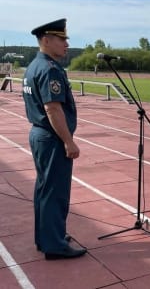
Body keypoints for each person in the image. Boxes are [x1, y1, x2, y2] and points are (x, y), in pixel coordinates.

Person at [22, 18, 87, 260]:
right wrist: (69, 141)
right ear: (46, 40)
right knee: (55, 191)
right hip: (51, 137)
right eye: (62, 39)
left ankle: (47, 236)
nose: (67, 44)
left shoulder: (34, 66)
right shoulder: (49, 69)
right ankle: (55, 244)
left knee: (44, 189)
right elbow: (53, 109)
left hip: (40, 135)